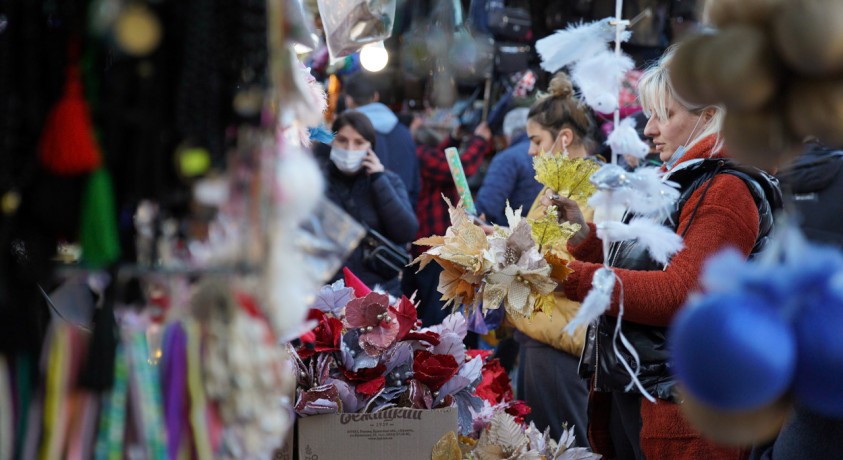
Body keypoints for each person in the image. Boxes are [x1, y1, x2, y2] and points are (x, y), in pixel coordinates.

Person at [547, 48, 779, 459]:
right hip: (646, 393)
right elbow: (647, 256)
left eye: (664, 115)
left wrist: (573, 274)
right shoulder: (676, 180)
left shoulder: (726, 188)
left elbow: (680, 292)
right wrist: (586, 238)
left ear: (710, 116)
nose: (649, 128)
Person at [504, 73, 597, 446]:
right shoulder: (555, 185)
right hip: (540, 335)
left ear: (565, 138)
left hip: (562, 342)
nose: (529, 151)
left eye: (535, 140)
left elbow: (563, 263)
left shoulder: (589, 189)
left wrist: (504, 257)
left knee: (566, 447)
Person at [321, 112, 418, 297]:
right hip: (330, 295)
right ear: (332, 141)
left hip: (378, 294)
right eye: (342, 140)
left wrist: (378, 180)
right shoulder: (316, 182)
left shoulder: (388, 181)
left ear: (370, 148)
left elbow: (406, 231)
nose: (349, 148)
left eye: (358, 142)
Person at [405, 121, 492, 326]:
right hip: (436, 248)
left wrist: (454, 138)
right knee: (437, 314)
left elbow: (441, 156)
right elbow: (458, 169)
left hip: (439, 247)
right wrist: (480, 140)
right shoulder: (422, 154)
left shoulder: (424, 152)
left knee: (439, 307)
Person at [344, 72, 421, 208]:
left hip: (364, 224)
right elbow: (415, 184)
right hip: (402, 218)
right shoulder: (403, 132)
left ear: (348, 100)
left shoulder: (345, 137)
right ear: (376, 96)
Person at [475, 108, 543, 225]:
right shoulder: (550, 152)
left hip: (512, 234)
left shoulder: (507, 159)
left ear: (508, 135)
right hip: (545, 234)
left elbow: (486, 210)